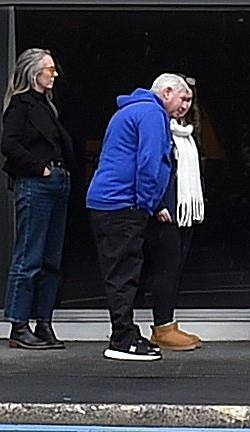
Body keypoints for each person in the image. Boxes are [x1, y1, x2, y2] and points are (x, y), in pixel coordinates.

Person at [82, 73, 190, 361]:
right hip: (123, 204)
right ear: (167, 92)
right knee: (124, 273)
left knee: (120, 270)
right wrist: (149, 203)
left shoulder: (129, 110)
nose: (186, 106)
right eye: (184, 98)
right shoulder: (153, 114)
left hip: (106, 202)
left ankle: (126, 333)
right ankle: (122, 340)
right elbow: (149, 162)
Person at [0, 49, 76, 350]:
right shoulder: (21, 104)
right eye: (50, 68)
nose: (54, 74)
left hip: (55, 182)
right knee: (29, 256)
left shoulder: (45, 106)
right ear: (34, 72)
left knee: (51, 259)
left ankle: (43, 321)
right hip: (37, 183)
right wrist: (39, 168)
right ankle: (20, 325)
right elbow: (9, 144)